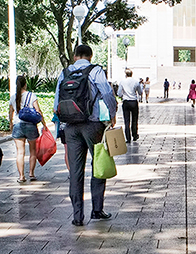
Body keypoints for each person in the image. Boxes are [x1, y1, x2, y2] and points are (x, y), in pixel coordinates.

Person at [54, 45, 117, 226]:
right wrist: (112, 114)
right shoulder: (95, 70)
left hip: (71, 127)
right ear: (90, 56)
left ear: (74, 57)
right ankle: (97, 210)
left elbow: (56, 102)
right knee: (98, 163)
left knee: (75, 171)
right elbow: (106, 92)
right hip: (93, 124)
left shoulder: (64, 73)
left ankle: (77, 216)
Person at [9, 75, 47, 183]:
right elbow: (38, 111)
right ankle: (31, 173)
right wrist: (44, 124)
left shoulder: (13, 97)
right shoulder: (31, 95)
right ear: (25, 84)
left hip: (18, 125)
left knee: (20, 152)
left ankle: (21, 176)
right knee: (33, 151)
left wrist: (11, 124)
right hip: (31, 125)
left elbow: (10, 112)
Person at [118, 69, 142, 143]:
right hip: (134, 102)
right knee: (134, 119)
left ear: (125, 74)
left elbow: (119, 93)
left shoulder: (122, 82)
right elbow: (140, 92)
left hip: (126, 102)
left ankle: (128, 138)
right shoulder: (136, 82)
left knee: (126, 121)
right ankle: (134, 135)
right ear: (132, 74)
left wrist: (123, 96)